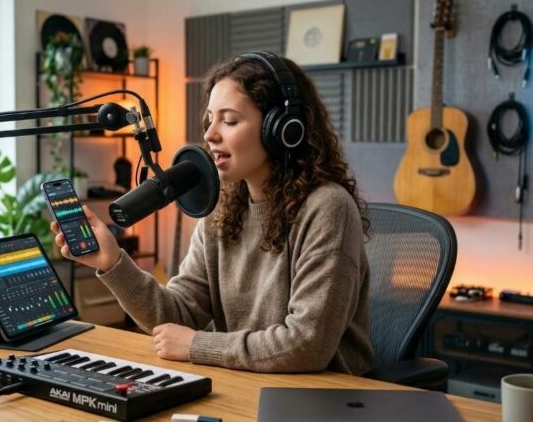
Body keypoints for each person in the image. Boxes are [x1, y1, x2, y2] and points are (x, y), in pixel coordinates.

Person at [50, 51, 374, 375]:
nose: (209, 135)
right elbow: (175, 317)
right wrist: (113, 262)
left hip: (324, 398)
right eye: (209, 120)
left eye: (229, 120)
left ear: (281, 129)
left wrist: (196, 345)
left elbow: (307, 345)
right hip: (245, 384)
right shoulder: (221, 207)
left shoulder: (327, 208)